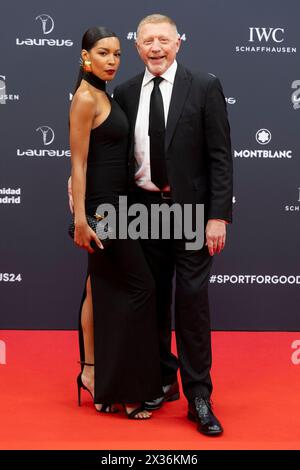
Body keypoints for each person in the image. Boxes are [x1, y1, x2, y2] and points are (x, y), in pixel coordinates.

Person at [113, 14, 233, 435]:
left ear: (179, 43)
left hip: (192, 213)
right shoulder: (125, 93)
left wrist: (218, 216)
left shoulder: (203, 87)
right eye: (148, 41)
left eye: (164, 40)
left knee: (193, 302)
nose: (156, 48)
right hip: (144, 210)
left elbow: (220, 156)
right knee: (152, 301)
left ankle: (199, 393)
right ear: (138, 47)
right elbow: (114, 154)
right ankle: (162, 380)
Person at [69, 26, 162, 419]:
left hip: (120, 207)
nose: (112, 61)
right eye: (103, 53)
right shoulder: (85, 99)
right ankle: (123, 386)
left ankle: (96, 380)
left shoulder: (105, 95)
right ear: (85, 57)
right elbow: (78, 162)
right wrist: (80, 219)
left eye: (118, 54)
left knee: (100, 290)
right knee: (140, 289)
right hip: (103, 212)